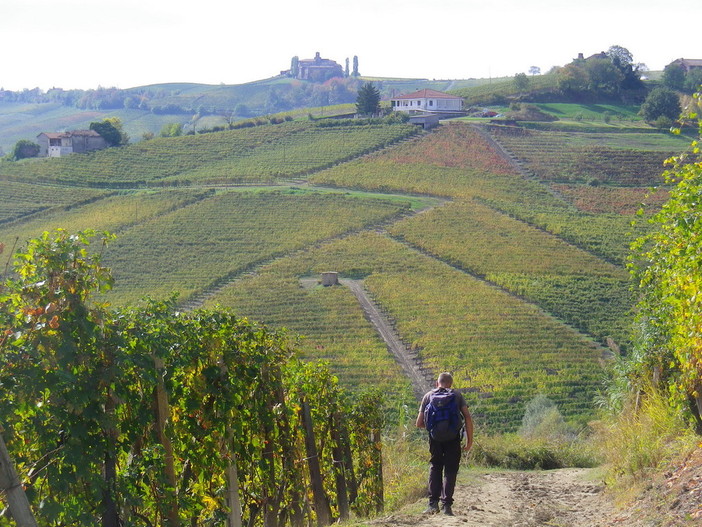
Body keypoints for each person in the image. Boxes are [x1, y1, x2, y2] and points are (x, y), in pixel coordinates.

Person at [416, 372, 474, 516]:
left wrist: (434, 428)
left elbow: (419, 423)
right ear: (451, 384)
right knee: (450, 470)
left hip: (435, 439)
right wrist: (469, 440)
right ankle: (447, 506)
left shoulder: (428, 396)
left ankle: (432, 504)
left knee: (435, 466)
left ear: (437, 383)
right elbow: (467, 417)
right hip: (453, 438)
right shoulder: (457, 396)